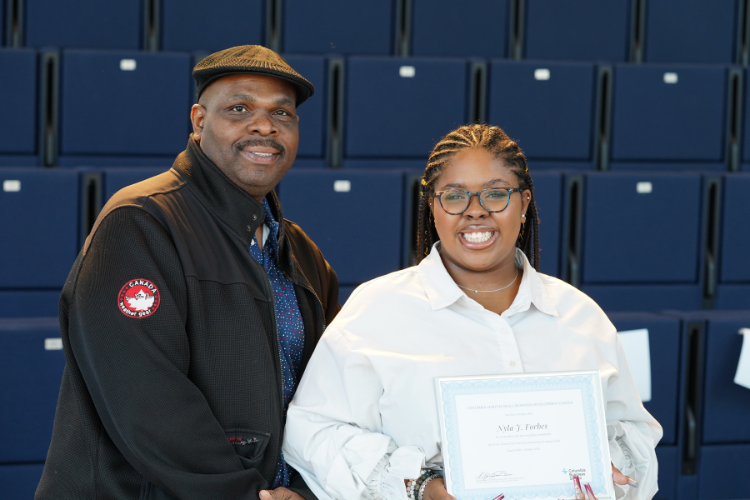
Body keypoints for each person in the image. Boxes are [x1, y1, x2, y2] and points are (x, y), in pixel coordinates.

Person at [282, 124, 662, 500]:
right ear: (433, 207)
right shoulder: (377, 310)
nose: (475, 212)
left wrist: (605, 470)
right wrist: (418, 485)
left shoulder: (580, 315)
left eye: (496, 194)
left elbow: (635, 435)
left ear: (524, 203)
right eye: (454, 196)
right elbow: (312, 431)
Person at [36, 46, 339, 500]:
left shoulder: (301, 252)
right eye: (240, 109)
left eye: (283, 114)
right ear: (198, 121)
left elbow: (332, 392)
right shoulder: (140, 223)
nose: (265, 126)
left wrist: (304, 488)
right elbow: (146, 400)